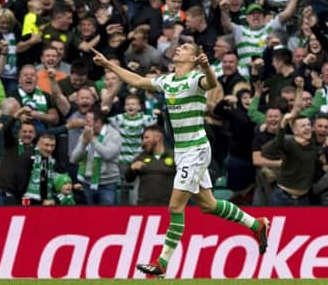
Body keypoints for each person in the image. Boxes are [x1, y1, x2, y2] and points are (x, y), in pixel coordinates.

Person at [92, 44, 269, 277]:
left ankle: (162, 265)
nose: (178, 49)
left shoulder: (196, 78)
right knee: (209, 205)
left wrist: (206, 68)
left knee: (175, 206)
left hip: (195, 149)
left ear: (194, 58)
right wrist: (108, 64)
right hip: (183, 151)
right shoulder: (167, 81)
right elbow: (137, 81)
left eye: (184, 48)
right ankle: (257, 225)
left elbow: (212, 84)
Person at [125, 125, 176, 206]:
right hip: (144, 205)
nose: (143, 141)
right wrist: (131, 169)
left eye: (147, 137)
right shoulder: (141, 157)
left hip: (169, 205)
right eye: (143, 139)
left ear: (158, 137)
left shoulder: (174, 156)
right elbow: (128, 179)